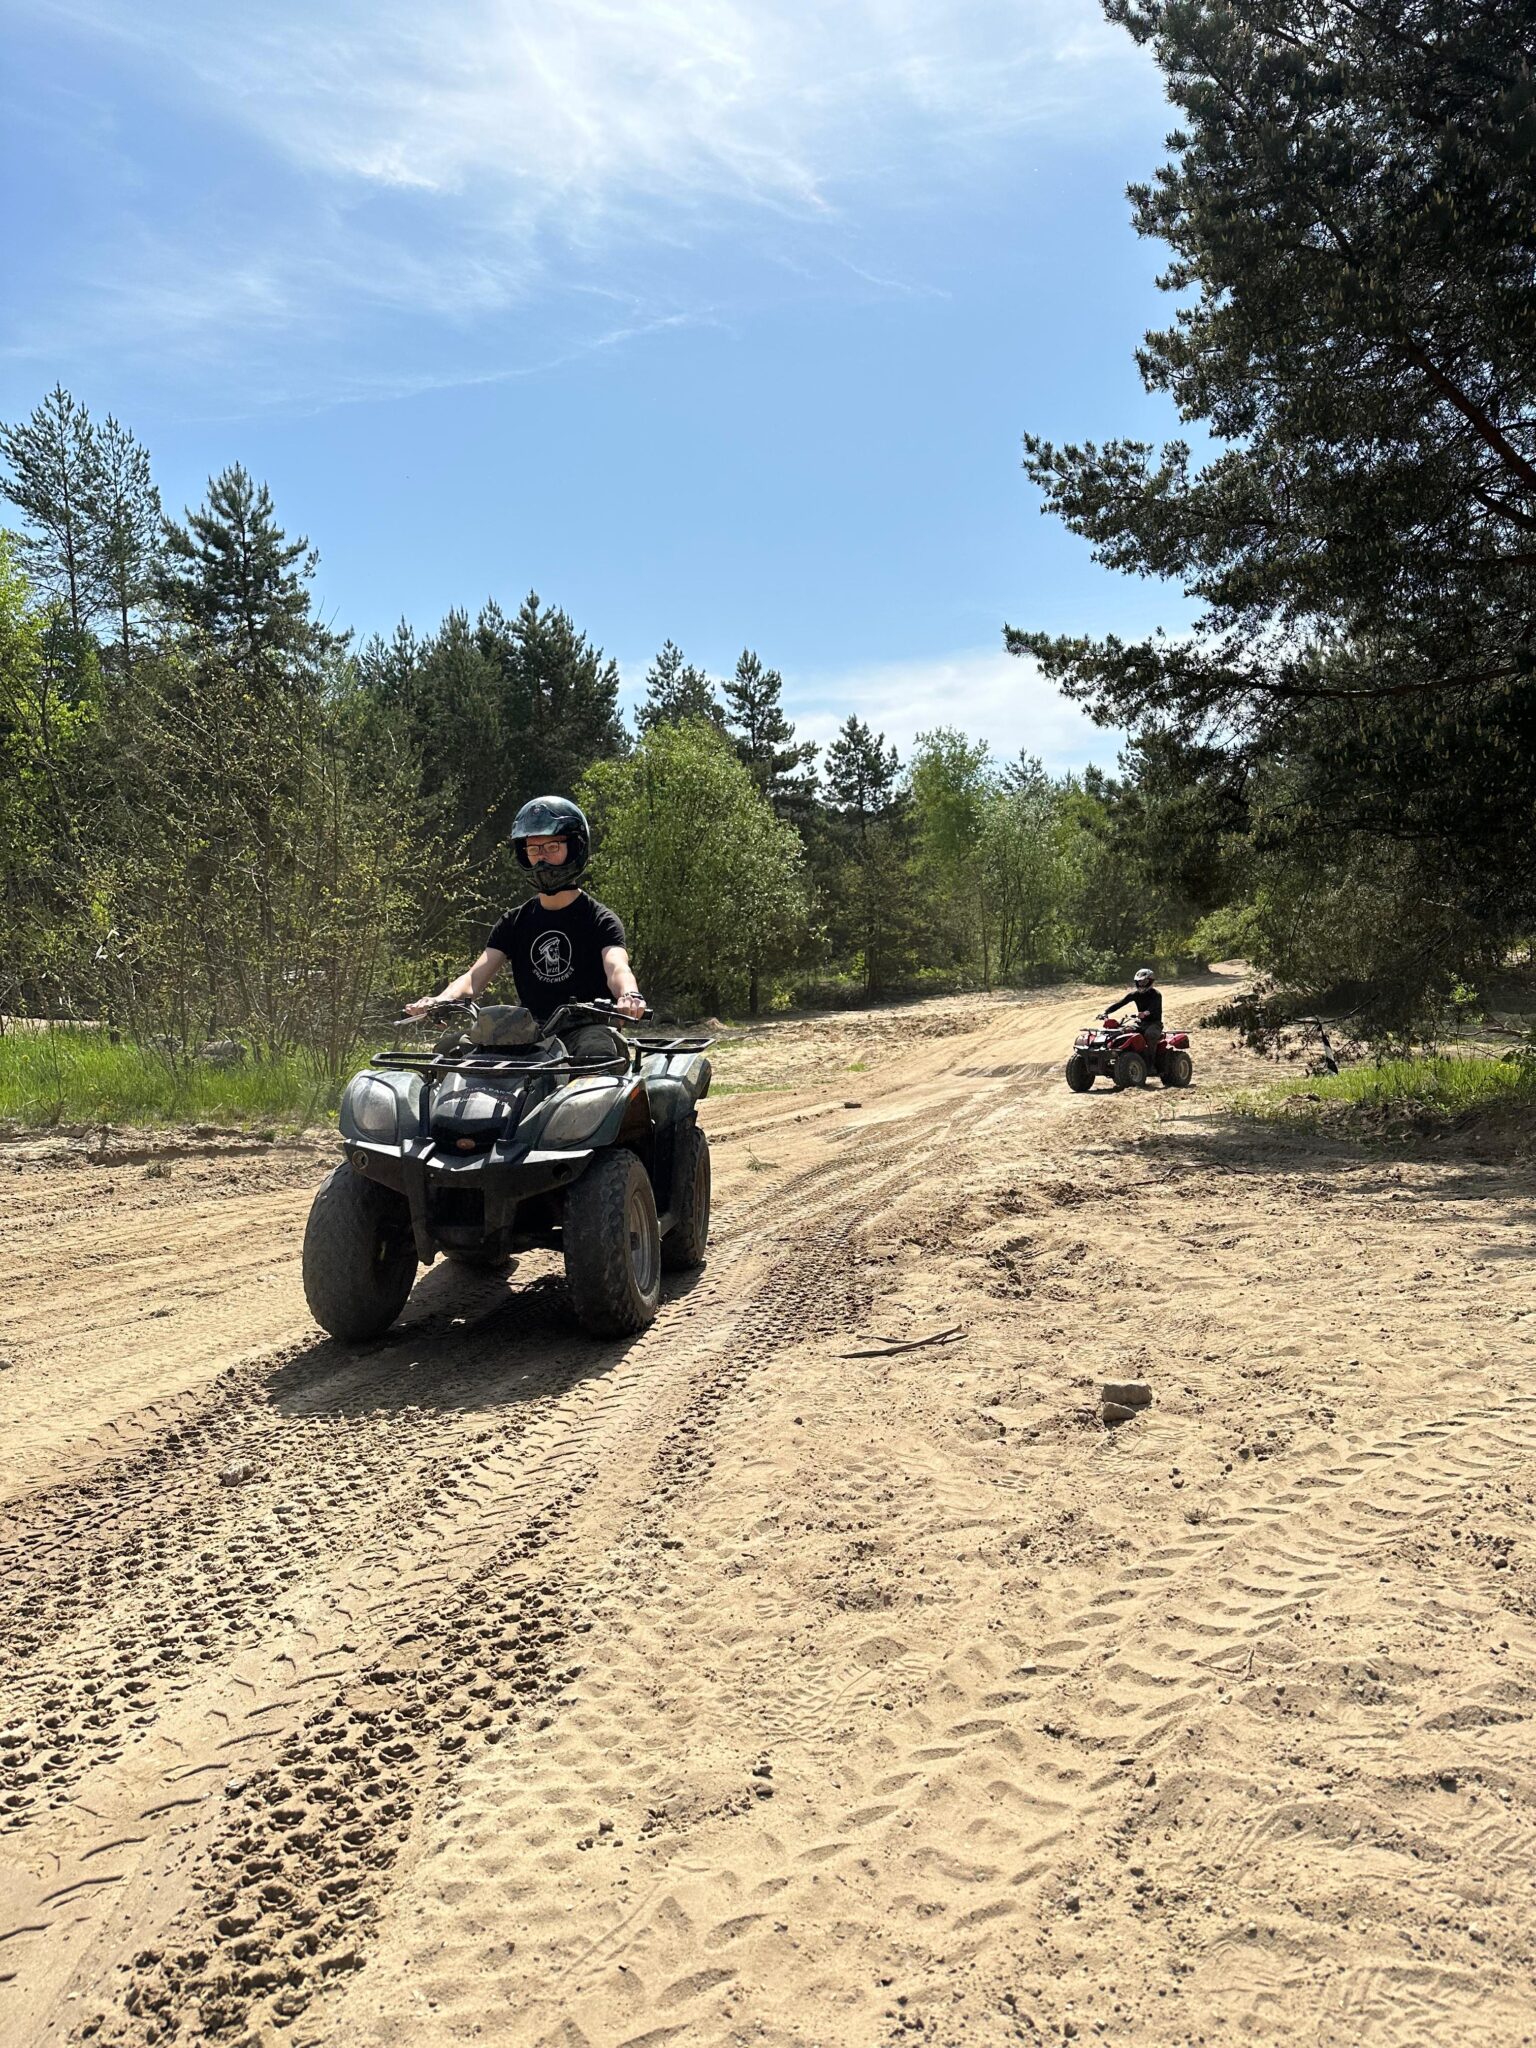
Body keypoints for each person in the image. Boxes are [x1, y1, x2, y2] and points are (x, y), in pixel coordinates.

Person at [408, 796, 644, 1054]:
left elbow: (617, 968)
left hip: (587, 1028)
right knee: (448, 1051)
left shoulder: (600, 919)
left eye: (552, 847)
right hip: (528, 1032)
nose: (541, 859)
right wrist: (441, 1000)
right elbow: (473, 979)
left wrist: (629, 995)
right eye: (534, 850)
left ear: (575, 847)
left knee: (596, 1054)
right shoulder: (514, 922)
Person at [1105, 966, 1163, 1057]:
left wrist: (1145, 1013)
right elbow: (1120, 1003)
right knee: (1123, 1031)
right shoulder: (1135, 994)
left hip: (1154, 1023)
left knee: (1150, 1034)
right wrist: (1106, 1012)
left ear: (1150, 981)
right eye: (1139, 982)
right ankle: (1123, 1055)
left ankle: (1151, 1064)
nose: (1141, 984)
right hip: (1140, 1023)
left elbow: (1153, 1008)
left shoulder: (1156, 995)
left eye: (1144, 982)